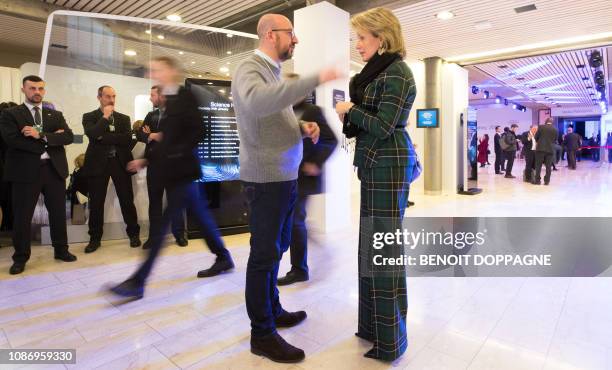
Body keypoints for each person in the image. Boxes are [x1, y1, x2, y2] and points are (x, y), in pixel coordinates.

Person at [232, 13, 341, 363]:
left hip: (283, 178)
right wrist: (314, 78)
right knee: (263, 257)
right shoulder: (250, 67)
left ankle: (273, 310)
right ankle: (261, 334)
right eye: (291, 34)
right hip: (265, 181)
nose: (295, 40)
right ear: (269, 35)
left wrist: (299, 126)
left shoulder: (271, 72)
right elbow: (258, 102)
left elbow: (270, 116)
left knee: (276, 250)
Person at [108, 56, 235, 297]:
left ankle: (138, 281)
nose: (153, 73)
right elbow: (168, 139)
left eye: (158, 70)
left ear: (171, 71)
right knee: (201, 217)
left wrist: (176, 153)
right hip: (178, 172)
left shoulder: (183, 97)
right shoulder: (169, 102)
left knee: (161, 229)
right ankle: (223, 257)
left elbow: (198, 131)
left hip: (182, 172)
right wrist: (147, 160)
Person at [335, 7, 417, 362]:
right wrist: (351, 109)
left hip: (388, 165)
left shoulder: (398, 72)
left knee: (382, 250)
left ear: (381, 38)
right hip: (375, 165)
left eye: (362, 38)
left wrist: (349, 109)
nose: (357, 45)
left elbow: (384, 126)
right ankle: (373, 328)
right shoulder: (380, 72)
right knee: (372, 248)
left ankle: (391, 340)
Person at [0, 75, 76, 274]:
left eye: (41, 88)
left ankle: (61, 250)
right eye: (33, 88)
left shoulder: (55, 115)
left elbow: (68, 137)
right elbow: (12, 140)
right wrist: (51, 139)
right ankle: (20, 257)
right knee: (22, 217)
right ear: (24, 89)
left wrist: (39, 135)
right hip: (25, 172)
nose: (37, 92)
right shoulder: (11, 114)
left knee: (59, 214)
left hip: (54, 170)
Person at [277, 76, 338, 286]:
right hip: (285, 175)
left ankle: (299, 269)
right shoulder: (283, 112)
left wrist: (316, 162)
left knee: (295, 220)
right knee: (293, 220)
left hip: (304, 175)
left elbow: (331, 139)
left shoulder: (313, 112)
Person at [82, 86, 141, 253]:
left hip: (120, 162)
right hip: (97, 163)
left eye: (114, 96)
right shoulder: (89, 117)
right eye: (108, 96)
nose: (112, 100)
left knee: (126, 200)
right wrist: (105, 117)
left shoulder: (123, 118)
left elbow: (126, 139)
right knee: (97, 202)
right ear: (99, 97)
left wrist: (103, 137)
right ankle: (94, 239)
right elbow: (93, 134)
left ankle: (134, 234)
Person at [136, 85, 188, 248]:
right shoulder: (150, 115)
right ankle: (154, 237)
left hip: (174, 165)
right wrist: (152, 135)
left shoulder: (177, 115)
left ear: (162, 96)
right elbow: (140, 134)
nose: (150, 98)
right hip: (154, 165)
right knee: (155, 202)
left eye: (152, 95)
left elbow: (177, 137)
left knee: (175, 201)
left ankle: (179, 234)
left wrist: (156, 135)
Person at [534, 118, 558, 185]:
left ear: (546, 121)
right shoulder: (555, 129)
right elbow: (555, 140)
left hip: (540, 149)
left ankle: (537, 181)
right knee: (548, 166)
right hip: (550, 150)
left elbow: (536, 138)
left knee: (538, 166)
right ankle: (547, 181)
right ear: (552, 122)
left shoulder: (541, 127)